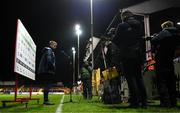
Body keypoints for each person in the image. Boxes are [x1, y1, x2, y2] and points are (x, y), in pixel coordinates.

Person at [113, 10, 147, 108]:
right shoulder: (139, 24)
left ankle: (135, 102)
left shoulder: (122, 26)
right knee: (139, 78)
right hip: (138, 54)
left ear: (124, 17)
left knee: (130, 79)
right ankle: (144, 102)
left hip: (127, 55)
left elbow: (115, 40)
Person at [151, 21, 180, 107]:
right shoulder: (176, 34)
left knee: (162, 81)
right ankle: (173, 102)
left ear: (166, 26)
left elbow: (154, 40)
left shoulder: (165, 32)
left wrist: (156, 36)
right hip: (170, 59)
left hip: (162, 60)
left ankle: (165, 102)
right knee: (171, 82)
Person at [37, 40, 57, 105]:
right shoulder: (49, 50)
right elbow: (49, 60)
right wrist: (52, 67)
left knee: (47, 85)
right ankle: (46, 101)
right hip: (47, 70)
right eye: (54, 45)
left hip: (44, 70)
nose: (55, 47)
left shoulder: (47, 50)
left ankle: (46, 100)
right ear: (51, 45)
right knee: (47, 85)